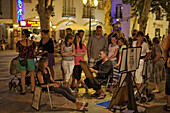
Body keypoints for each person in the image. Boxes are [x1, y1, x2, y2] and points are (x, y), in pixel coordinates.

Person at [16, 29, 36, 95]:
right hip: (30, 59)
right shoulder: (32, 43)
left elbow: (17, 50)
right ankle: (33, 89)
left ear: (23, 35)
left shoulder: (19, 43)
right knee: (32, 75)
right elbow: (33, 50)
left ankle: (23, 90)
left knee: (23, 76)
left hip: (22, 59)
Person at [162, 34, 170, 111]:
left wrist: (166, 59)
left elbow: (164, 50)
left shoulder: (169, 37)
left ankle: (169, 105)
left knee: (169, 85)